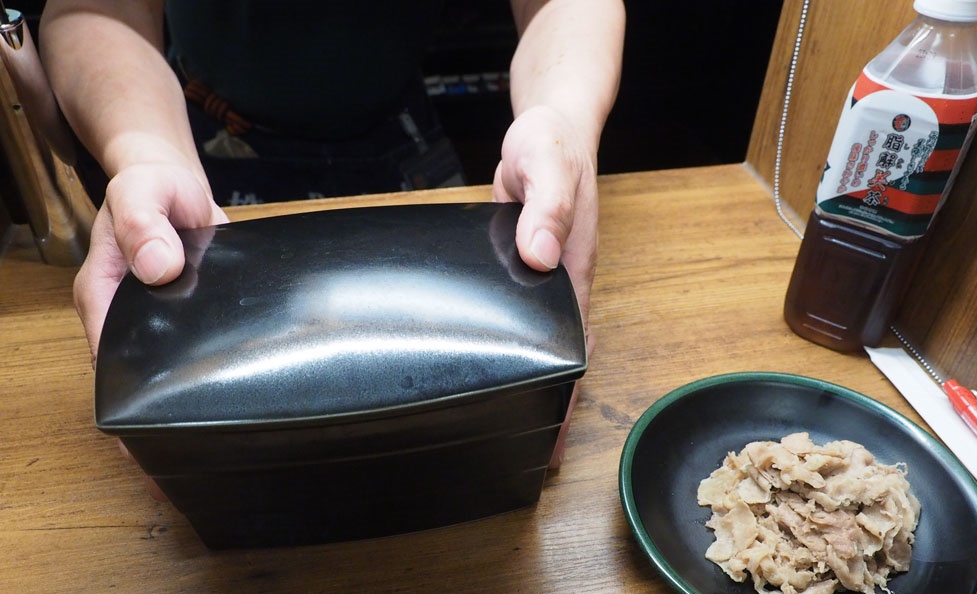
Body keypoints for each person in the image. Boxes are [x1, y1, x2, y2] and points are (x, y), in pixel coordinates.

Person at [39, 0, 625, 465]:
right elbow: (97, 11)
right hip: (197, 156)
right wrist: (143, 153)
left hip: (398, 132)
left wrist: (563, 124)